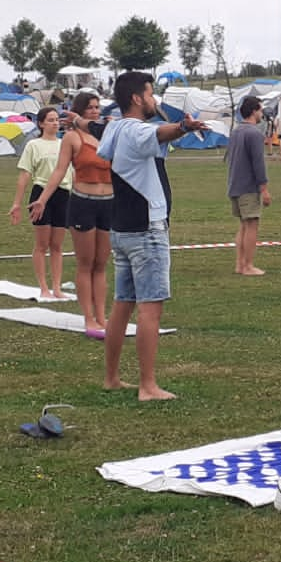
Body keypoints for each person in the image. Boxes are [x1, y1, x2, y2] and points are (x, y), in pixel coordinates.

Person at [97, 72, 205, 401]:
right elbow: (160, 132)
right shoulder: (136, 130)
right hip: (147, 229)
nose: (154, 99)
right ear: (136, 99)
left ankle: (112, 378)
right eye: (150, 93)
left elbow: (108, 140)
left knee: (122, 305)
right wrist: (185, 127)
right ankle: (148, 386)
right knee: (150, 309)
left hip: (123, 229)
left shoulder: (115, 127)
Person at [31, 92, 114, 338]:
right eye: (90, 108)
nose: (95, 111)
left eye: (98, 107)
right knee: (85, 263)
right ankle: (88, 317)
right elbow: (59, 171)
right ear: (80, 110)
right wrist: (42, 200)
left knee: (101, 264)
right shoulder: (72, 137)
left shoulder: (108, 135)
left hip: (108, 203)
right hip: (82, 203)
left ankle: (101, 316)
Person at [12, 109, 72, 300]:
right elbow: (24, 175)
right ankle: (43, 287)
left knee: (57, 245)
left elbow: (72, 172)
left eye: (57, 120)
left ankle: (57, 287)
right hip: (41, 195)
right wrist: (17, 203)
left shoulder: (65, 144)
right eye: (50, 120)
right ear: (41, 124)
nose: (55, 123)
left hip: (63, 194)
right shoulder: (33, 145)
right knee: (42, 244)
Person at [225, 96, 273, 276]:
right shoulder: (253, 134)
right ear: (254, 111)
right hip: (248, 188)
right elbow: (258, 164)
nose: (262, 114)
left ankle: (240, 264)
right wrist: (264, 189)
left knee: (243, 226)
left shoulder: (236, 131)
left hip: (235, 186)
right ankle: (248, 266)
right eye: (260, 110)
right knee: (252, 225)